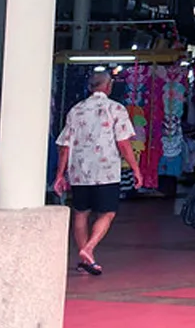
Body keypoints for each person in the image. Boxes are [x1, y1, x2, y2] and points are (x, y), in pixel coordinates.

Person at [53, 71, 143, 275]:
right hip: (106, 171)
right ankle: (89, 249)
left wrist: (60, 174)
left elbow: (65, 146)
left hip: (79, 171)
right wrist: (136, 168)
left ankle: (86, 260)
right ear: (108, 86)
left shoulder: (76, 110)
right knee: (108, 212)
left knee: (81, 212)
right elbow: (123, 143)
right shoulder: (116, 109)